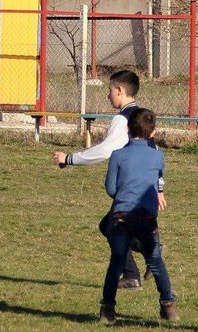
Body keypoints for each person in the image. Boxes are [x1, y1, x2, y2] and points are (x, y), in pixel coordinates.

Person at [55, 68, 146, 289]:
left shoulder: (123, 119)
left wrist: (69, 158)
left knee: (112, 227)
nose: (108, 95)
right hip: (146, 181)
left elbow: (106, 151)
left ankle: (149, 251)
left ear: (120, 90)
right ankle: (132, 273)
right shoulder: (144, 115)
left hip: (128, 184)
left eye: (110, 90)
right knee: (110, 226)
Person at [100, 109, 178, 326]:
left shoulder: (118, 155)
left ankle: (108, 308)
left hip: (123, 215)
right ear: (152, 133)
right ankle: (168, 304)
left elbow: (111, 188)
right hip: (147, 217)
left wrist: (124, 195)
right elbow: (157, 181)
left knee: (117, 261)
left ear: (127, 129)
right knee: (155, 261)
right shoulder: (157, 156)